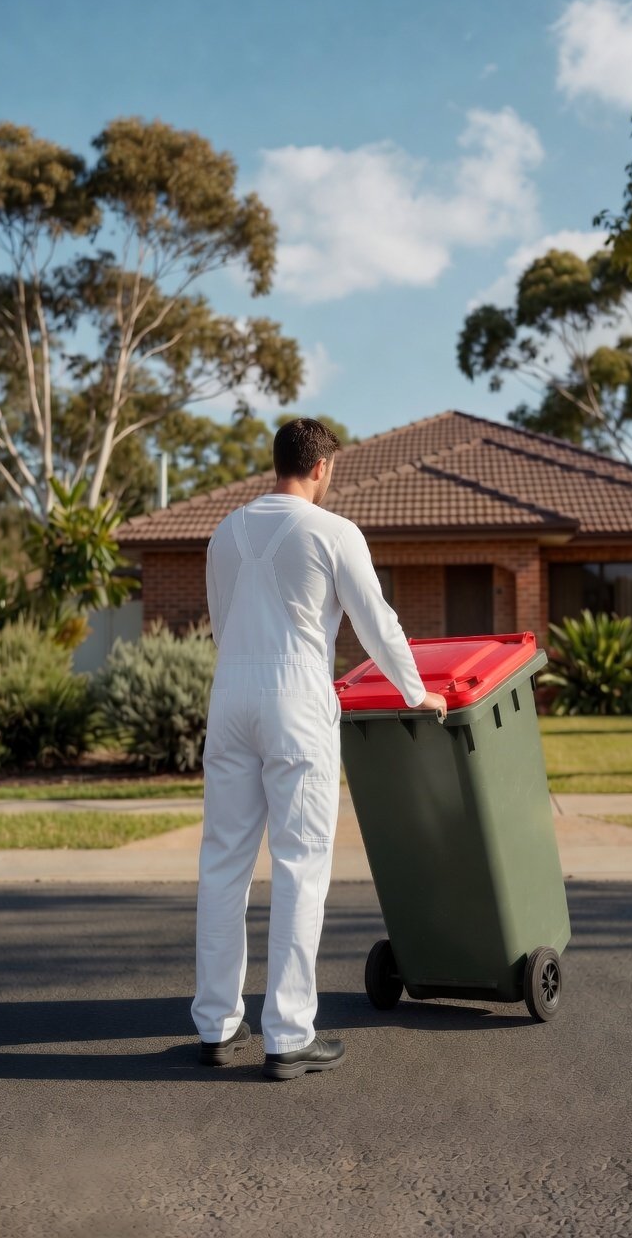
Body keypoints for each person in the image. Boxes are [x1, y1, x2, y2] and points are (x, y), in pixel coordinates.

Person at [191, 418, 447, 1080]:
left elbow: (222, 624)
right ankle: (288, 1035)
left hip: (231, 700)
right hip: (296, 701)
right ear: (324, 468)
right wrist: (414, 691)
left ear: (275, 463)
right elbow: (376, 622)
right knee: (300, 864)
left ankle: (217, 1027)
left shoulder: (223, 533)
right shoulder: (333, 533)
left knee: (223, 863)